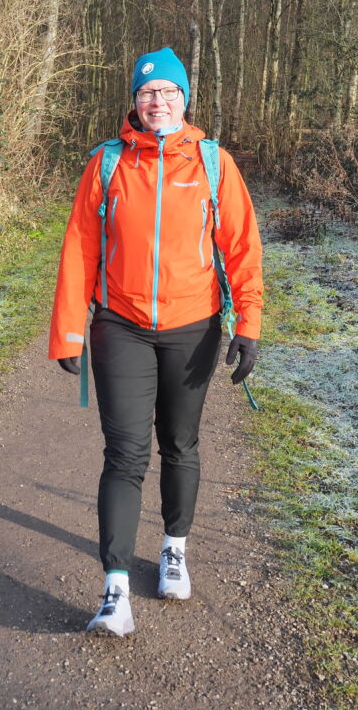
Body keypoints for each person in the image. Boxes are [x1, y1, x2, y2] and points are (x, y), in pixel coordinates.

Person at [49, 47, 263, 637]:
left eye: (168, 92)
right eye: (147, 93)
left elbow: (242, 248)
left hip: (193, 326)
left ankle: (174, 549)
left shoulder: (213, 163)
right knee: (124, 454)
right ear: (134, 102)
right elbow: (79, 247)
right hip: (120, 324)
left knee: (180, 443)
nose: (158, 101)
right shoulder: (108, 163)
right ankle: (115, 590)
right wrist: (68, 329)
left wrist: (248, 325)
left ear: (184, 99)